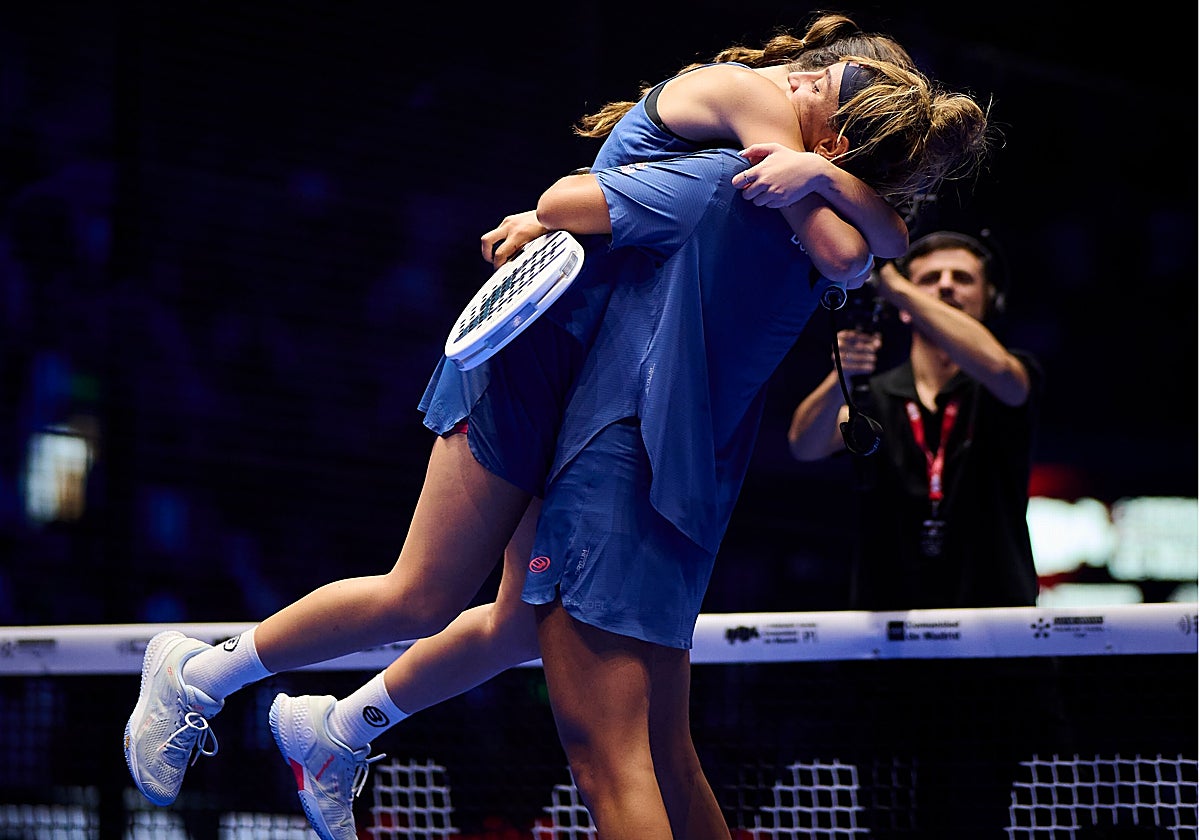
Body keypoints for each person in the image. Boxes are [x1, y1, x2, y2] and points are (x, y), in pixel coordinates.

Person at [123, 24, 990, 840]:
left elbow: (867, 244)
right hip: (532, 362)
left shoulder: (792, 200)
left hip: (595, 392)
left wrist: (825, 183)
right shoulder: (739, 146)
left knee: (513, 626)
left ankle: (336, 730)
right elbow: (572, 198)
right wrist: (554, 218)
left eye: (822, 90)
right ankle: (202, 674)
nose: (799, 83)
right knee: (423, 596)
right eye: (817, 77)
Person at [787, 229, 1042, 609]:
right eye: (930, 278)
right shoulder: (874, 394)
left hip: (997, 617)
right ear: (904, 310)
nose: (946, 286)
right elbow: (804, 446)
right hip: (887, 621)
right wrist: (841, 377)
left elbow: (1003, 373)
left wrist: (896, 285)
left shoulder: (1008, 376)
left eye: (963, 278)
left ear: (990, 300)